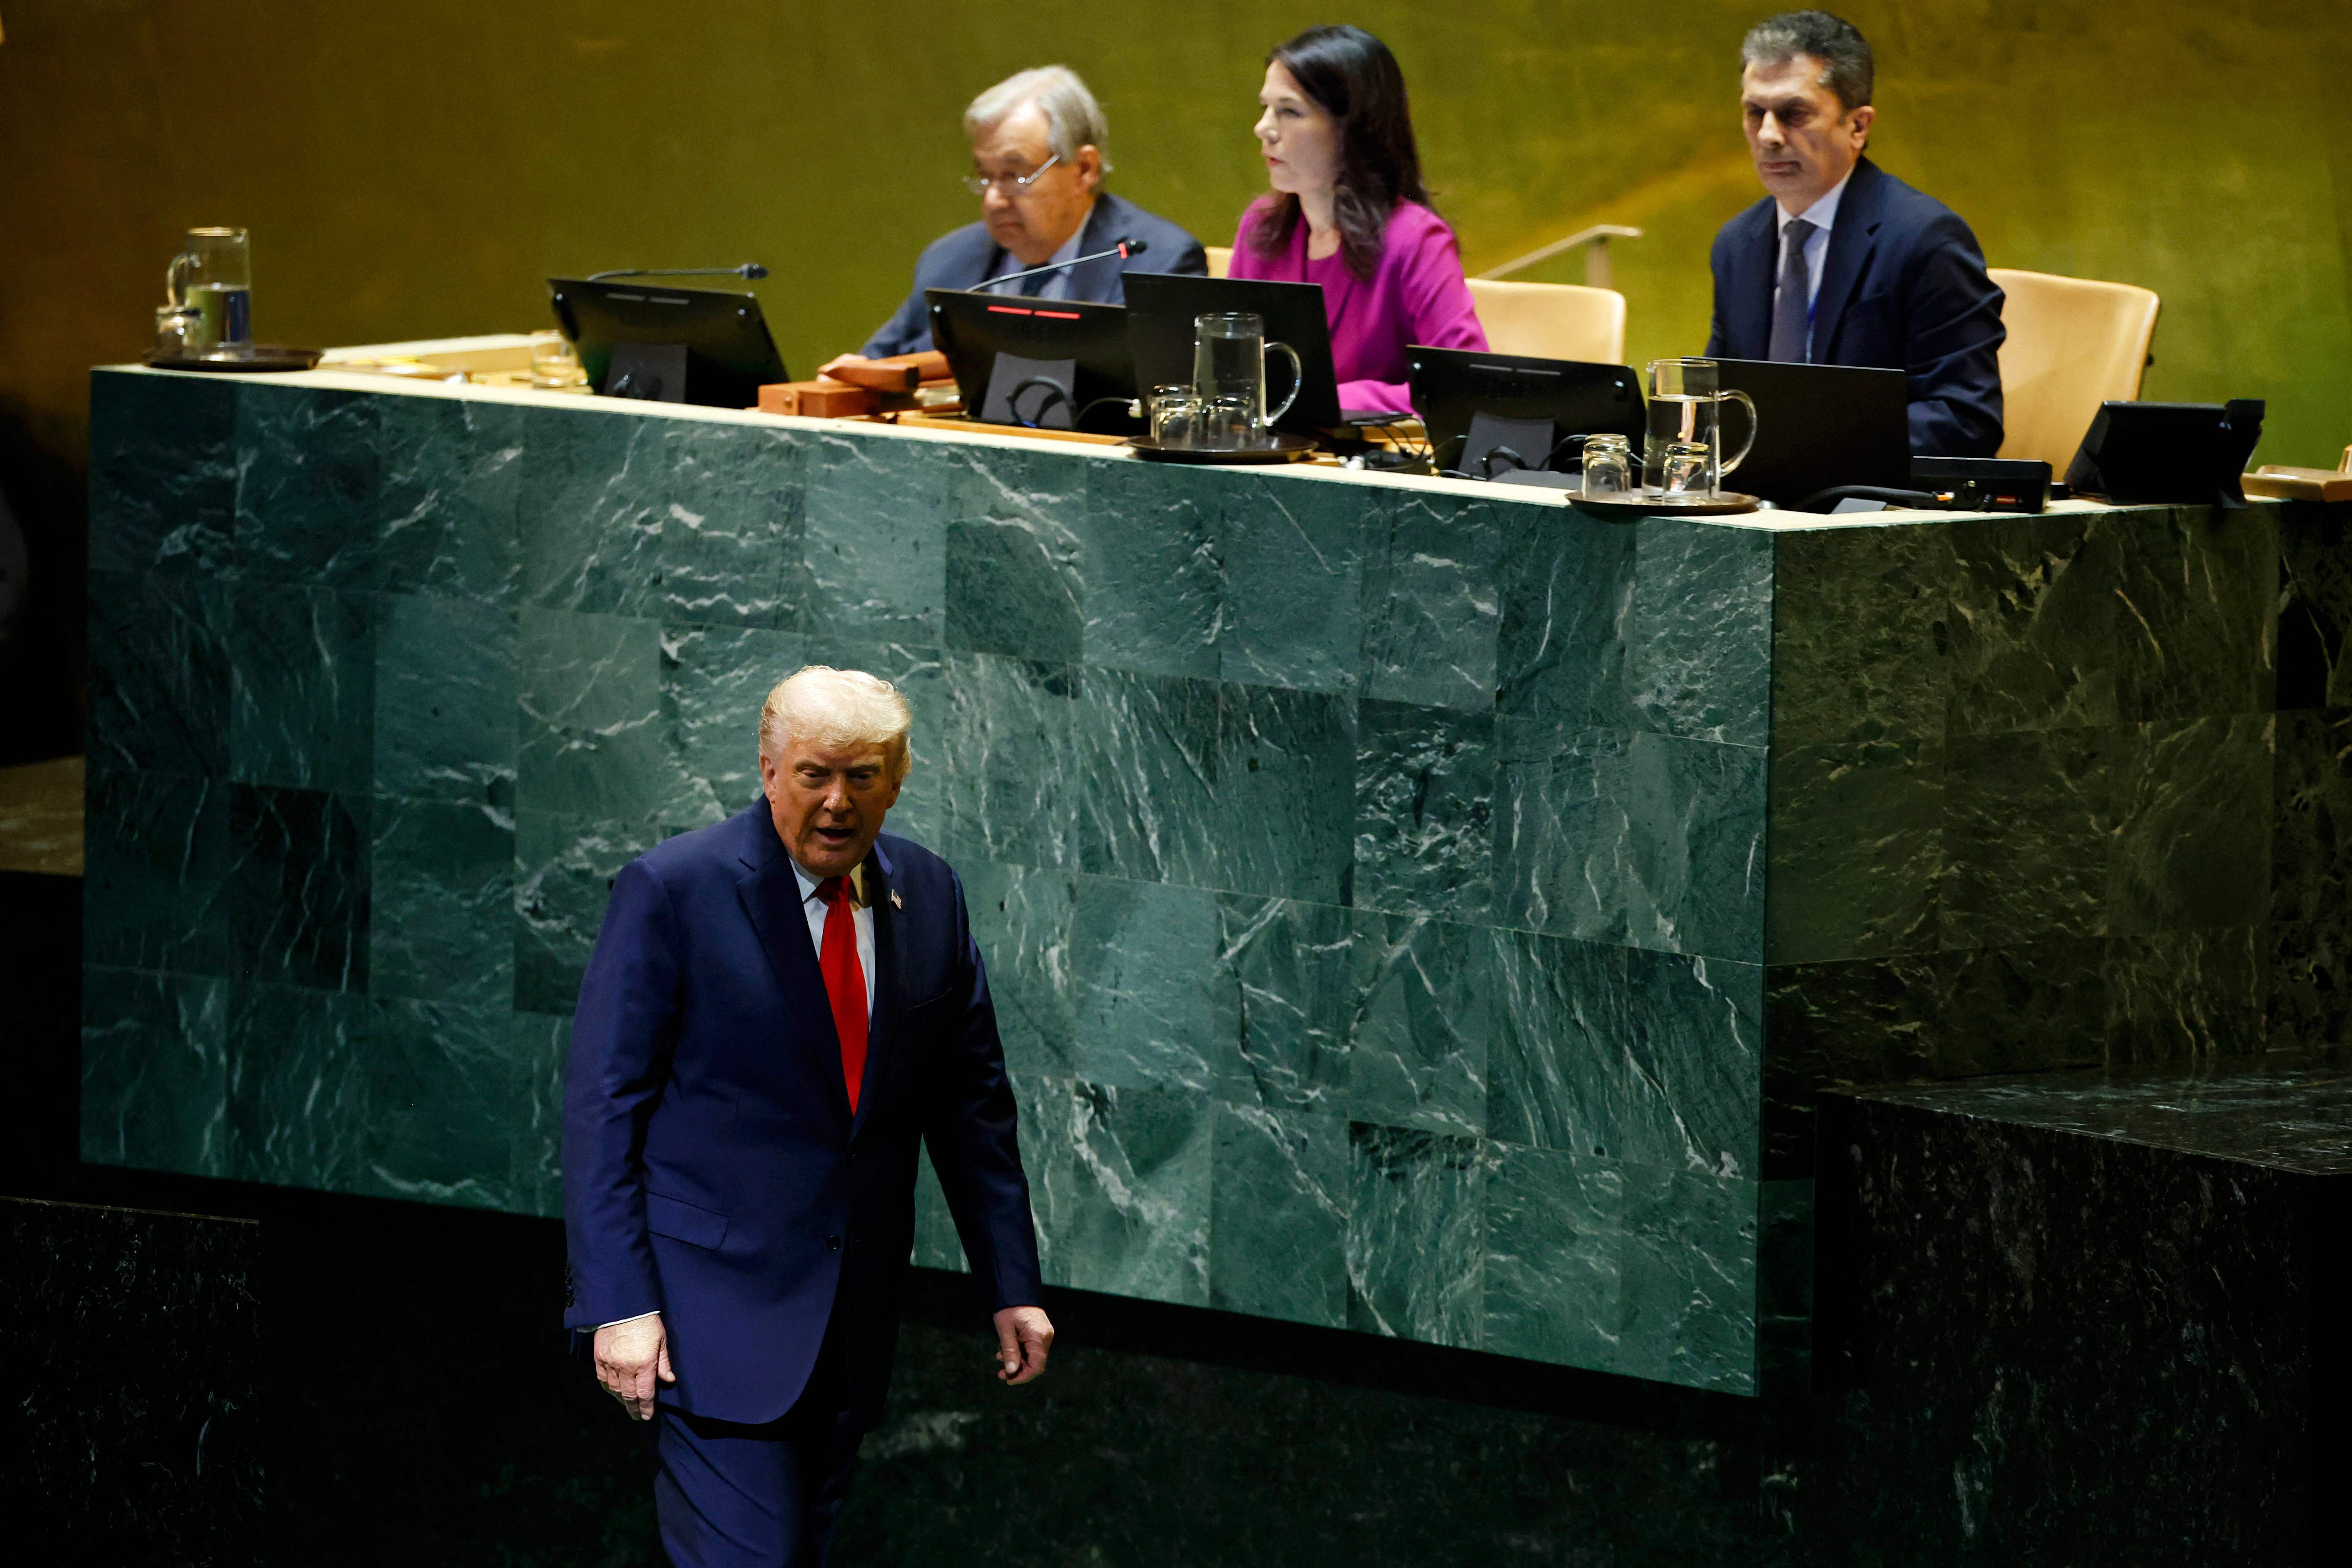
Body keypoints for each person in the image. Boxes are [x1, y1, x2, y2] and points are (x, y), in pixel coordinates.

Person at [563, 666, 1051, 1567]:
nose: (836, 801)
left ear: (897, 778)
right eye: (813, 773)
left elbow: (971, 1104)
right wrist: (616, 1303)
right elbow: (602, 1108)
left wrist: (1010, 1279)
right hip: (707, 1324)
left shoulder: (930, 893)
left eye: (862, 775)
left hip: (851, 1326)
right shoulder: (675, 889)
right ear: (767, 766)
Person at [1705, 11, 2004, 456]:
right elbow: (1720, 401)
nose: (1768, 135)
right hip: (1755, 502)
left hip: (1867, 508)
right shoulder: (1737, 244)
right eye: (1755, 113)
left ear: (1858, 126)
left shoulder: (1926, 240)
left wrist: (1809, 447)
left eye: (1793, 114)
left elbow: (1964, 420)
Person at [836, 66, 1207, 365]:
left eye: (1015, 175)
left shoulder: (1157, 263)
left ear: (1084, 170)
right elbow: (876, 365)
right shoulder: (950, 260)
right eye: (985, 175)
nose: (995, 200)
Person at [1226, 25, 1486, 416]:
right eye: (1265, 108)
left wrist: (1329, 401)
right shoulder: (1261, 228)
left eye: (1289, 111)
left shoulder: (1416, 239)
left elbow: (1463, 384)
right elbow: (1230, 370)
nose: (1262, 128)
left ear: (1352, 128)